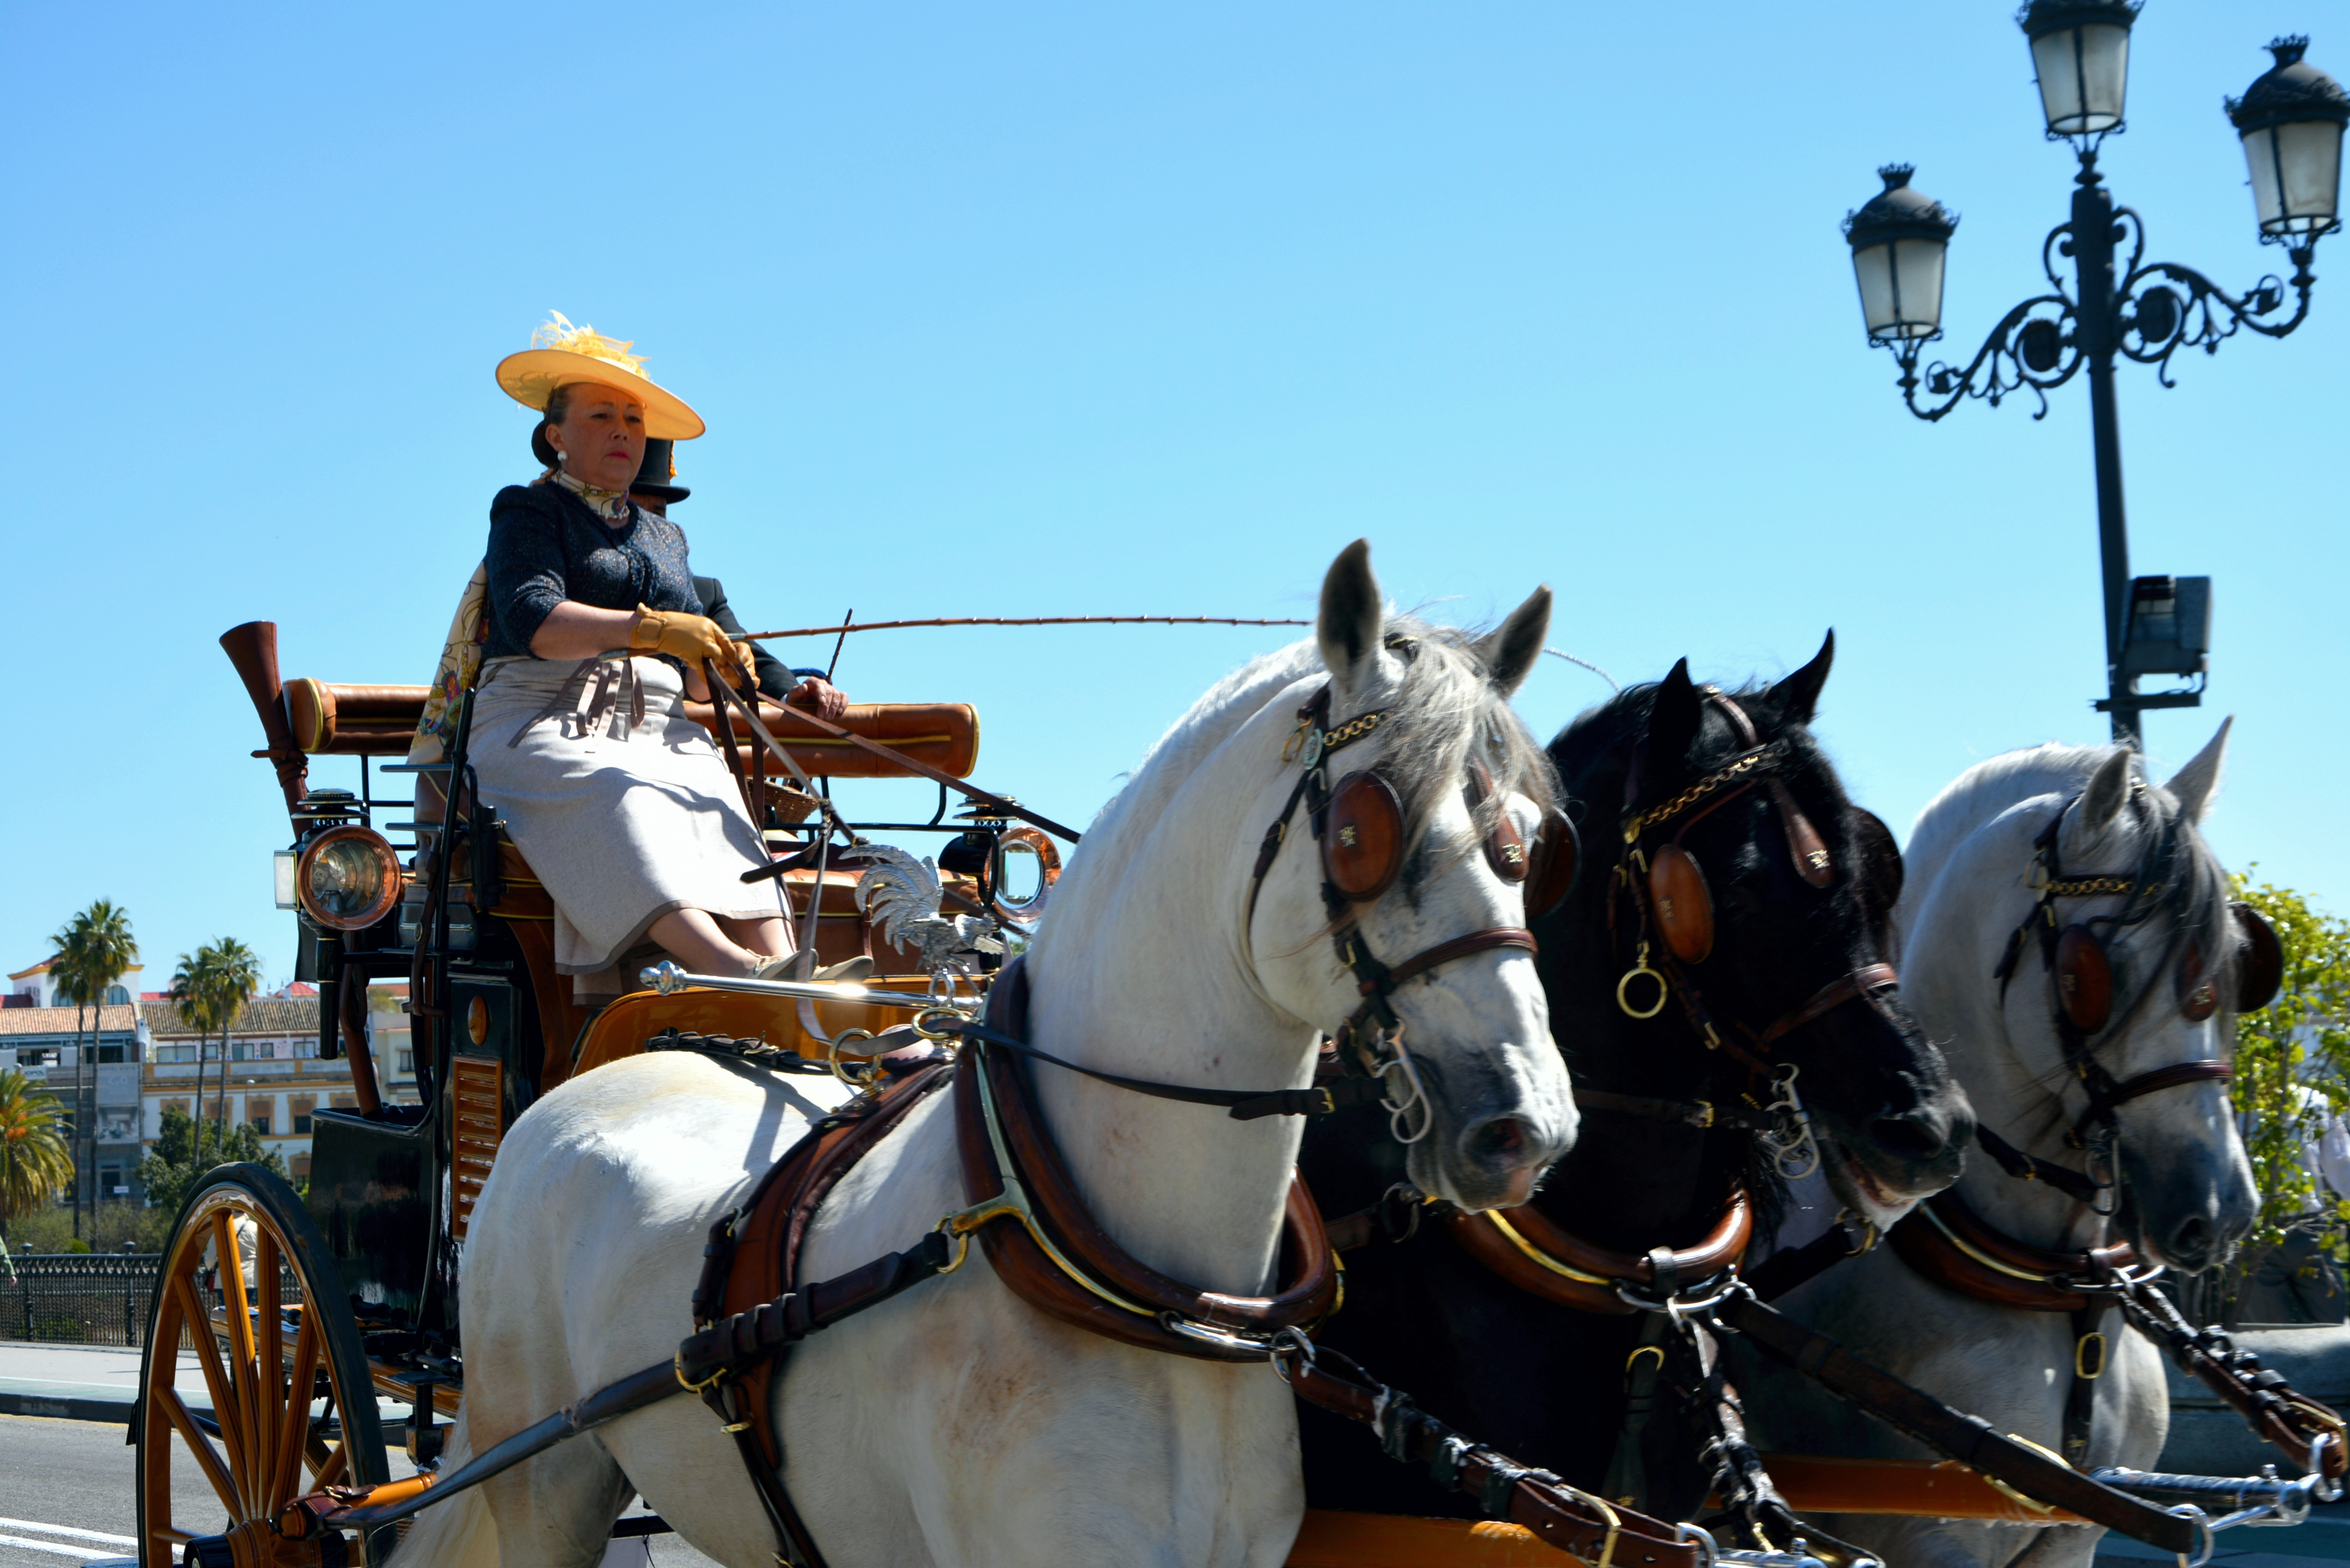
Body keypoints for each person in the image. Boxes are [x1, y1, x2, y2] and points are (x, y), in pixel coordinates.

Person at [466, 313, 847, 990]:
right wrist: (653, 632)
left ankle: (788, 966)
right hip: (540, 718)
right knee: (616, 786)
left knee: (713, 786)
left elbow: (698, 691)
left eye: (633, 419)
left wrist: (717, 666)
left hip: (658, 725)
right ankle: (731, 967)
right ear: (556, 437)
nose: (622, 431)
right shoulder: (527, 511)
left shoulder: (667, 539)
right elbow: (533, 620)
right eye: (601, 416)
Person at [628, 439, 804, 700]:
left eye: (658, 514)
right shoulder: (574, 580)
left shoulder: (703, 595)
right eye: (631, 513)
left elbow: (748, 657)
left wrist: (793, 696)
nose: (648, 527)